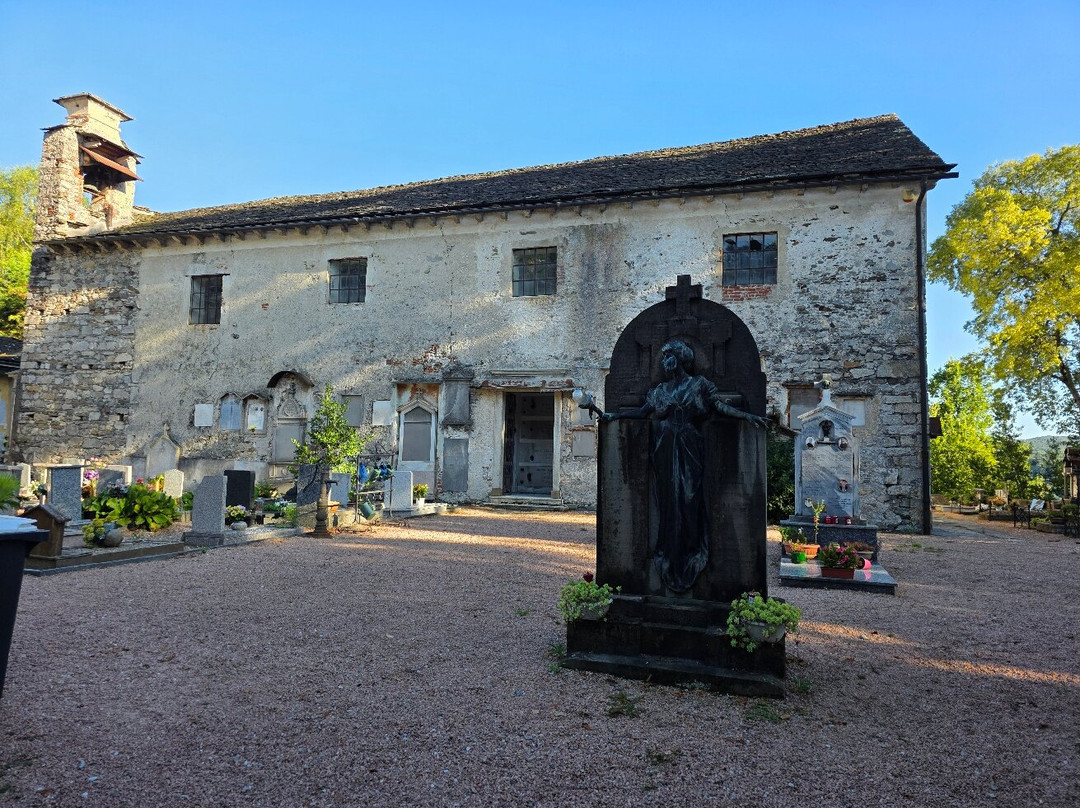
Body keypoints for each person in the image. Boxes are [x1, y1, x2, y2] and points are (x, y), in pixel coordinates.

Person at [603, 340, 769, 591]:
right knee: (668, 501)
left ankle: (692, 553)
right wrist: (613, 416)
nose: (663, 361)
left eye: (668, 357)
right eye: (663, 357)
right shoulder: (660, 390)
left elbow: (718, 406)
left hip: (690, 444)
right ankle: (667, 553)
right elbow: (641, 413)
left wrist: (748, 416)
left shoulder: (699, 385)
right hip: (664, 447)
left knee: (689, 499)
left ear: (680, 360)